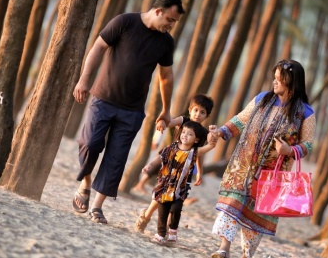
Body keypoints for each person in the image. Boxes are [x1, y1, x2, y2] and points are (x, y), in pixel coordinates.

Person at [71, 0, 185, 224]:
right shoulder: (125, 22)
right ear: (158, 11)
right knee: (89, 143)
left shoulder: (165, 42)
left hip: (132, 110)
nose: (171, 26)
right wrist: (84, 79)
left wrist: (166, 108)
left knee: (116, 158)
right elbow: (97, 48)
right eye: (170, 20)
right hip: (103, 98)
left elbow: (166, 76)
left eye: (175, 22)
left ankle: (97, 207)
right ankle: (86, 183)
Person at [209, 59, 316, 258]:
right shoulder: (262, 99)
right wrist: (221, 132)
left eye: (279, 79)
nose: (274, 82)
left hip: (272, 176)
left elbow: (308, 144)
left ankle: (246, 254)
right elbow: (241, 120)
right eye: (273, 78)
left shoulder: (306, 113)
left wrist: (289, 150)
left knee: (257, 218)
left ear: (291, 82)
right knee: (231, 206)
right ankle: (224, 249)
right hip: (244, 167)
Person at [134, 94, 214, 233]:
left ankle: (164, 230)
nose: (198, 114)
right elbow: (170, 122)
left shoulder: (203, 133)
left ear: (207, 115)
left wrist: (199, 172)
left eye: (202, 112)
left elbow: (199, 154)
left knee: (174, 201)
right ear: (190, 110)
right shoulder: (183, 121)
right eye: (195, 110)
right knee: (160, 197)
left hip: (184, 172)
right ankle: (146, 216)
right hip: (170, 166)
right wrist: (163, 123)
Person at [148, 121, 218, 245]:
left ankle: (173, 231)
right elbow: (161, 157)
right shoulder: (172, 147)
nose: (185, 135)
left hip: (179, 189)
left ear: (196, 140)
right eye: (184, 132)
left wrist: (213, 133)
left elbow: (211, 146)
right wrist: (150, 165)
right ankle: (160, 234)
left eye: (189, 134)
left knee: (176, 209)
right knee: (162, 212)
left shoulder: (194, 152)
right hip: (164, 186)